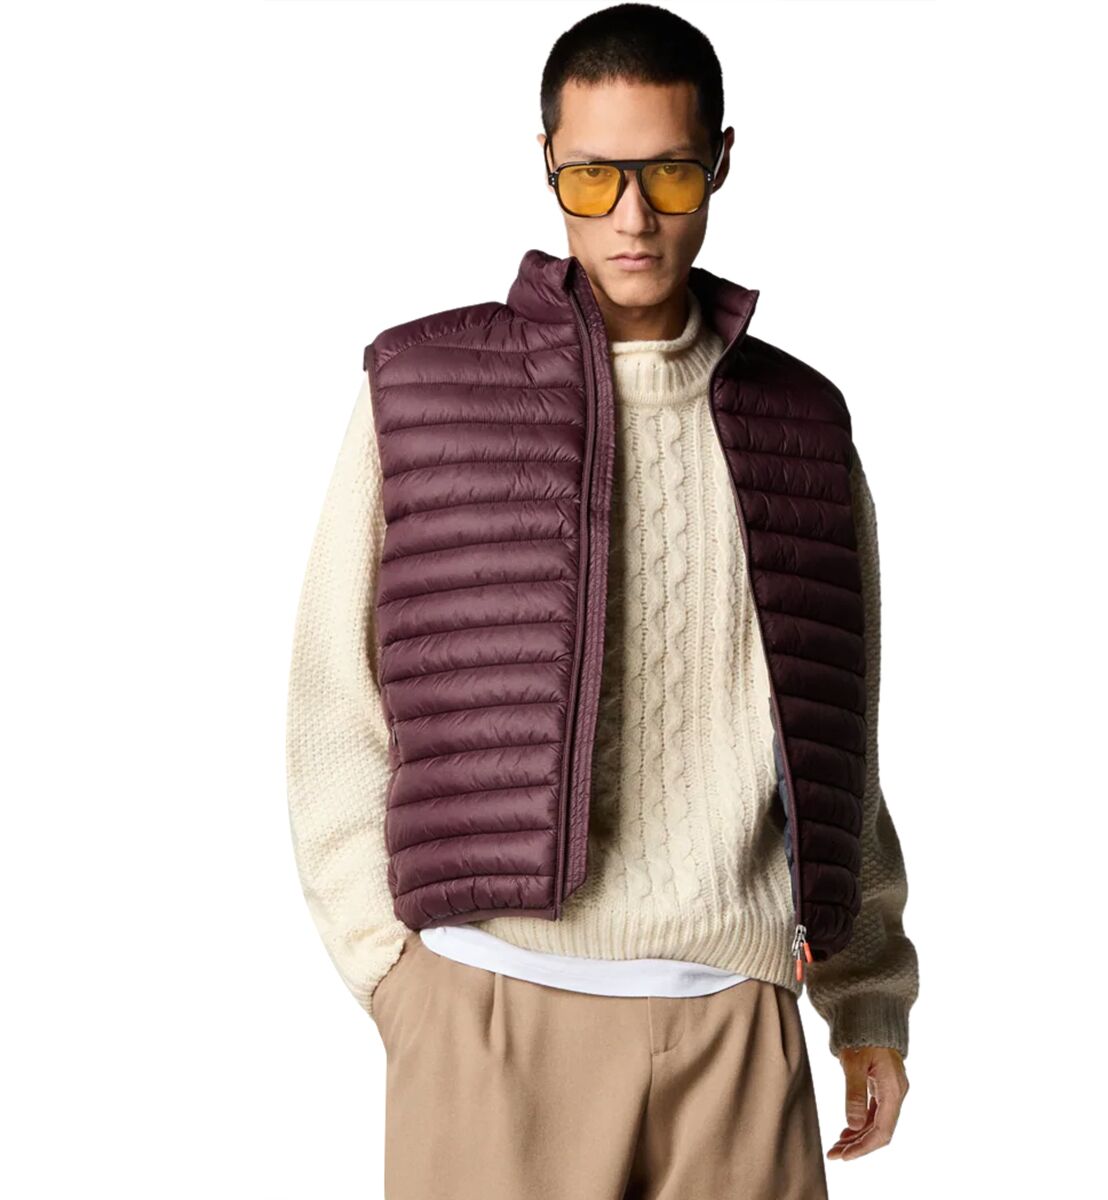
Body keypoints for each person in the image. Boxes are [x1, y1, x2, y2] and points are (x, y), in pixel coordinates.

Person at [285, 5, 919, 1197]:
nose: (632, 217)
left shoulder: (801, 425)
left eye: (668, 173)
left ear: (720, 160)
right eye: (592, 176)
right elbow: (335, 700)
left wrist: (867, 991)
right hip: (489, 1012)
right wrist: (395, 974)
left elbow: (839, 738)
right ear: (547, 163)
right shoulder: (423, 389)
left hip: (735, 1024)